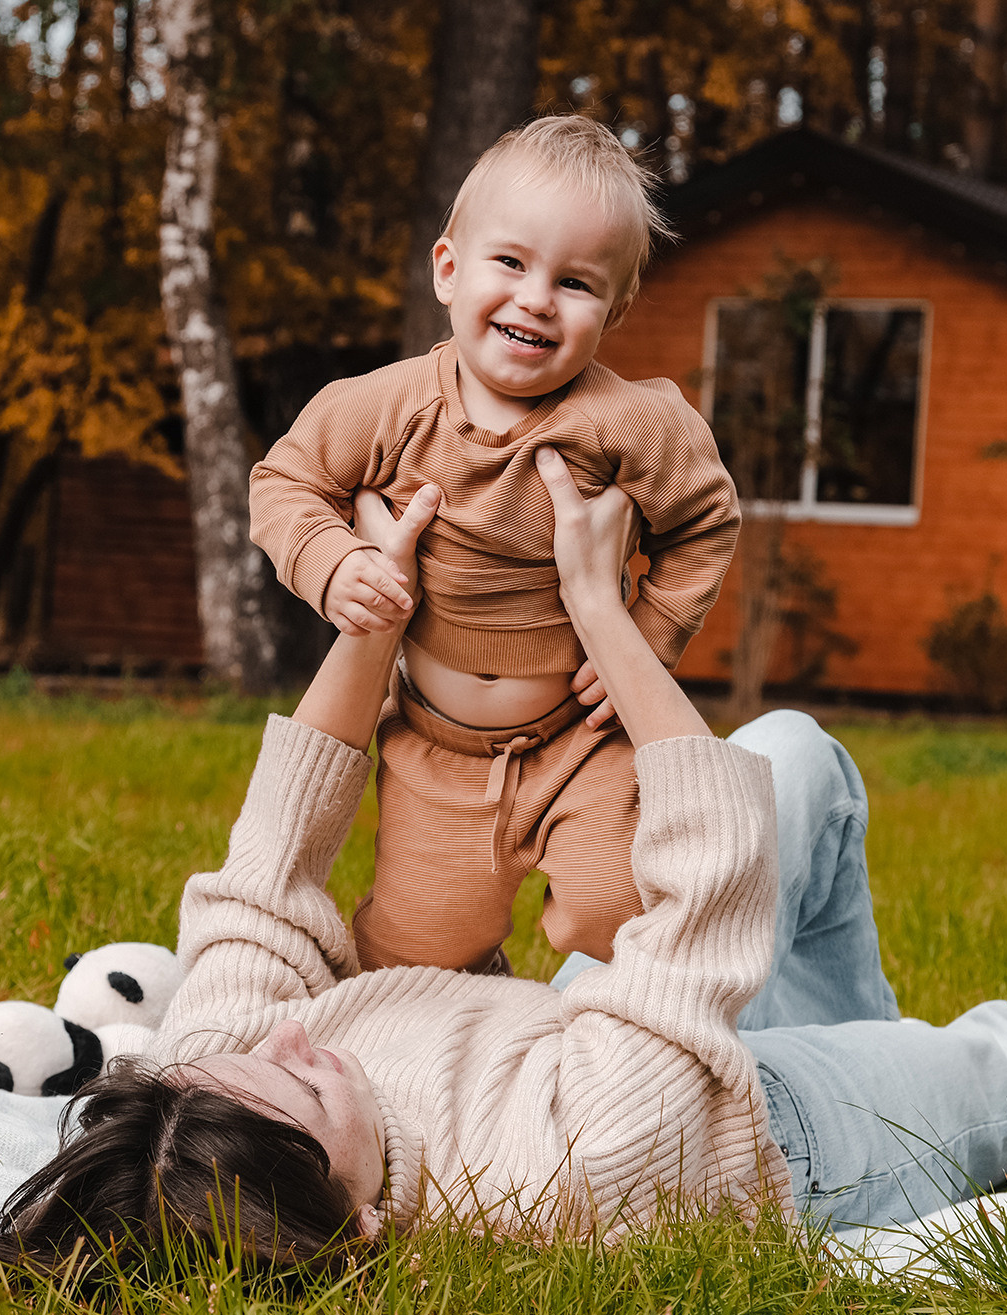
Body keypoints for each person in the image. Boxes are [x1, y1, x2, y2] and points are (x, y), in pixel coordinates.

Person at [0, 456, 1007, 1273]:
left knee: (788, 758)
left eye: (247, 1054)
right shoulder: (572, 1171)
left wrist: (373, 612)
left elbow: (272, 861)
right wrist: (600, 607)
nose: (293, 1046)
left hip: (600, 1030)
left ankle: (873, 1042)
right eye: (312, 1096)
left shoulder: (227, 1092)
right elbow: (699, 891)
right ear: (360, 1216)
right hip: (769, 1139)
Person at [248, 115, 739, 973]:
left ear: (615, 308)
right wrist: (335, 565)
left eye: (576, 282)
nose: (536, 297)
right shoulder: (385, 406)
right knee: (410, 956)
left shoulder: (632, 422)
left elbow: (705, 521)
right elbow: (283, 482)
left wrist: (651, 639)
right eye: (509, 262)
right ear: (449, 268)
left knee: (617, 912)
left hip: (578, 740)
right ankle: (480, 995)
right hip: (436, 751)